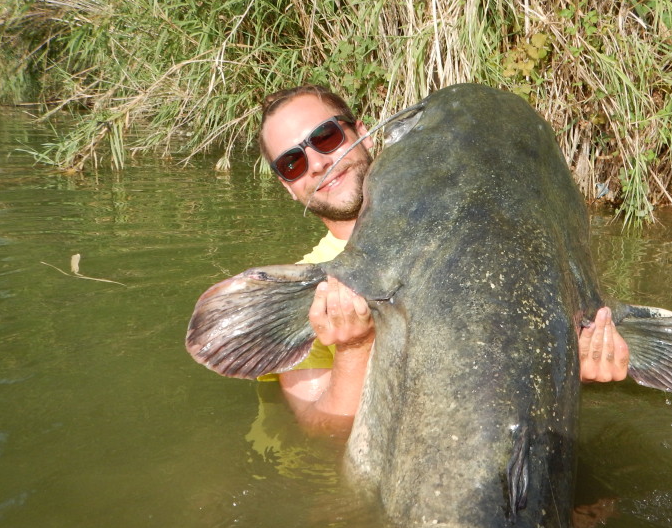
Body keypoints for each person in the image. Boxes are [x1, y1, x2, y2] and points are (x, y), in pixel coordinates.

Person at [259, 84, 630, 436]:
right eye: (292, 163)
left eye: (326, 138)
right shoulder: (297, 299)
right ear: (287, 187)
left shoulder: (482, 231)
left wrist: (581, 362)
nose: (317, 164)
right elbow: (322, 433)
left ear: (364, 133)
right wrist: (353, 349)